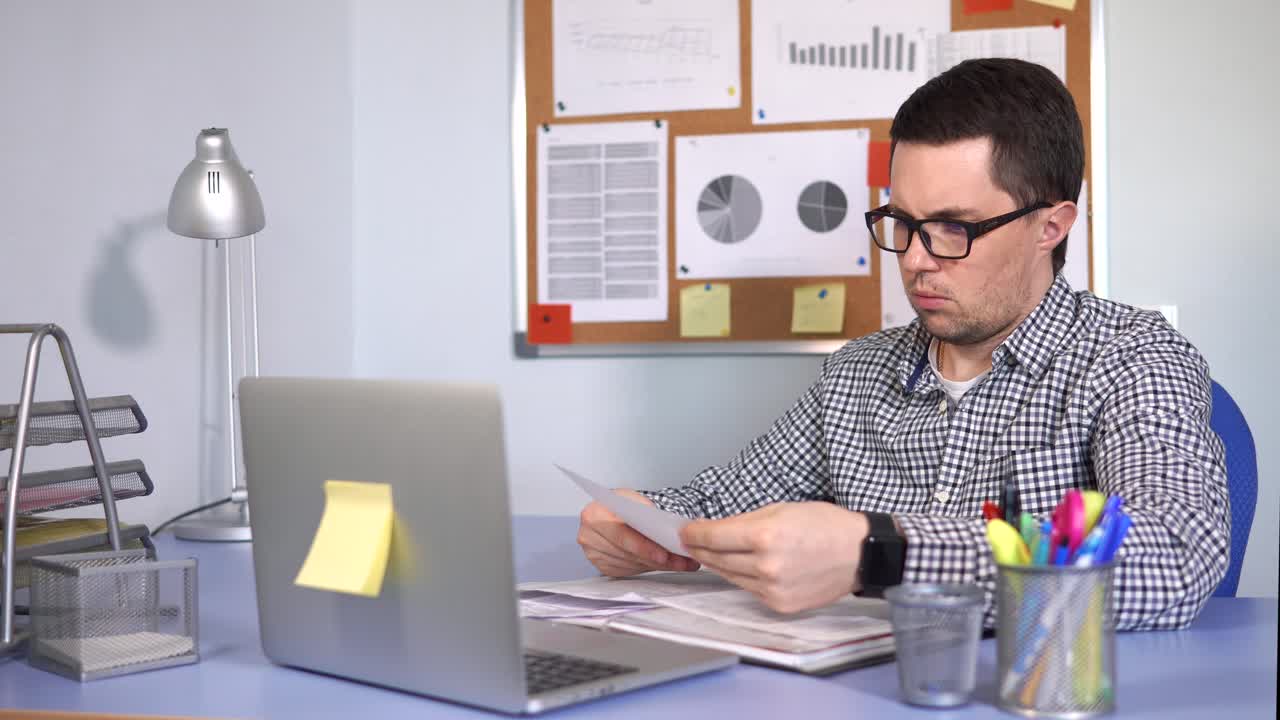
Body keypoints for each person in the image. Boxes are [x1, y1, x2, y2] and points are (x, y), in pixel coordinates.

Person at [576, 58, 1229, 630]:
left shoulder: (1135, 357)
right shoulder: (857, 374)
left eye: (953, 228)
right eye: (902, 223)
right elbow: (720, 503)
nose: (916, 260)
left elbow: (1174, 554)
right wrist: (637, 521)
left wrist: (882, 551)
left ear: (1050, 227)